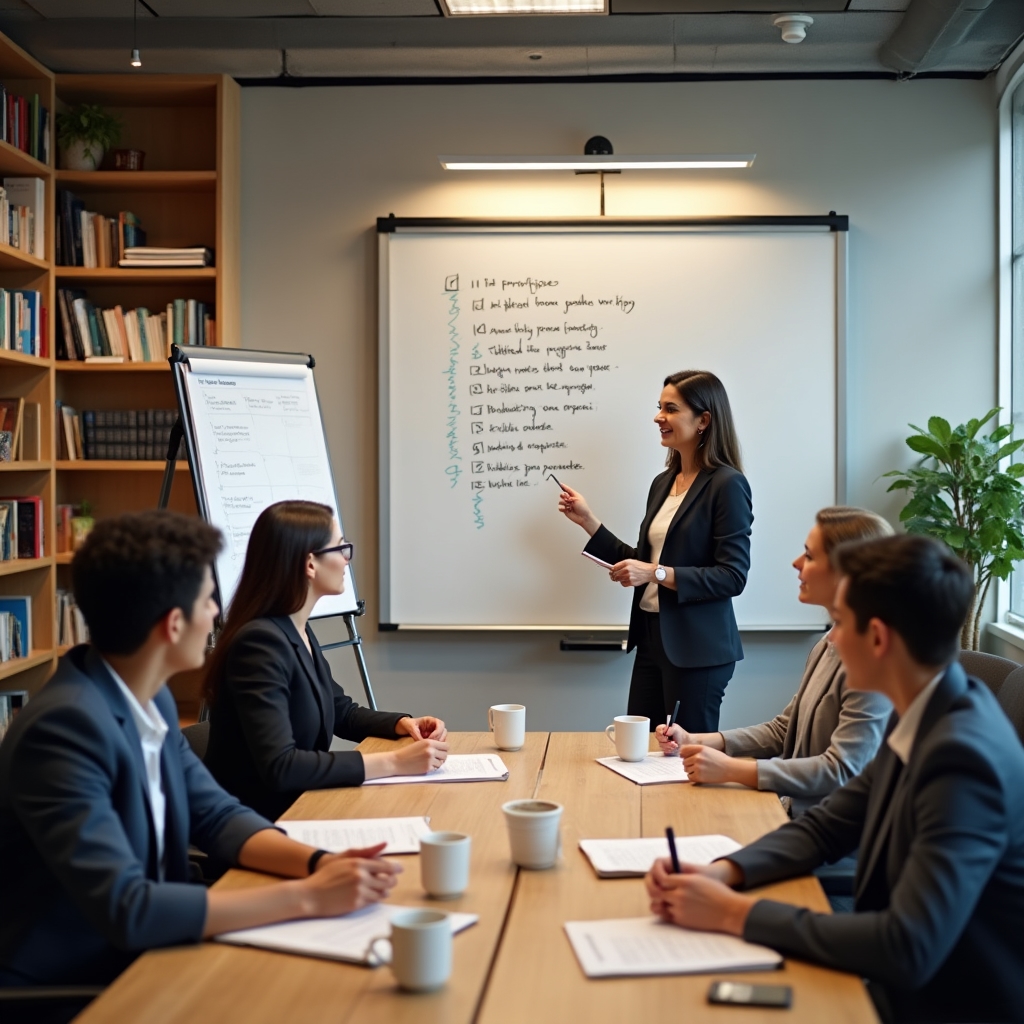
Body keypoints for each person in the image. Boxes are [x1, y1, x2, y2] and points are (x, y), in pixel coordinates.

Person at [0, 510, 401, 997]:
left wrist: (318, 864)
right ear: (172, 624)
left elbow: (214, 814)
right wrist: (307, 897)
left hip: (150, 949)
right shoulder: (64, 730)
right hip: (77, 982)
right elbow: (129, 908)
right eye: (207, 600)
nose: (216, 613)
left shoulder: (149, 699)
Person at [644, 534, 1024, 1024]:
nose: (831, 639)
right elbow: (825, 827)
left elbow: (906, 947)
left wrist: (731, 914)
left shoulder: (962, 759)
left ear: (880, 638)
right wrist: (722, 872)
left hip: (939, 1003)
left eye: (841, 623)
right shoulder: (929, 710)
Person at [204, 500, 448, 821]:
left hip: (301, 806)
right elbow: (282, 767)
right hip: (258, 823)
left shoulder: (295, 628)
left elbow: (339, 710)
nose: (347, 560)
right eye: (340, 548)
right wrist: (396, 762)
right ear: (310, 564)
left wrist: (401, 724)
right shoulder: (258, 643)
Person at [655, 506, 893, 817]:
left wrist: (733, 770)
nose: (796, 564)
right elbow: (784, 730)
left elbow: (841, 769)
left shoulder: (873, 664)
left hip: (828, 837)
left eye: (809, 556)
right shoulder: (830, 643)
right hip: (793, 811)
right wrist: (696, 739)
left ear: (846, 572)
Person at [557, 369, 752, 732]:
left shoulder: (727, 485)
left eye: (671, 409)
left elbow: (732, 576)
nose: (658, 417)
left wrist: (655, 574)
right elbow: (643, 562)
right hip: (651, 640)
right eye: (659, 407)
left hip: (697, 651)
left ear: (704, 420)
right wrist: (588, 521)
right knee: (640, 750)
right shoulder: (663, 483)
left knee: (685, 761)